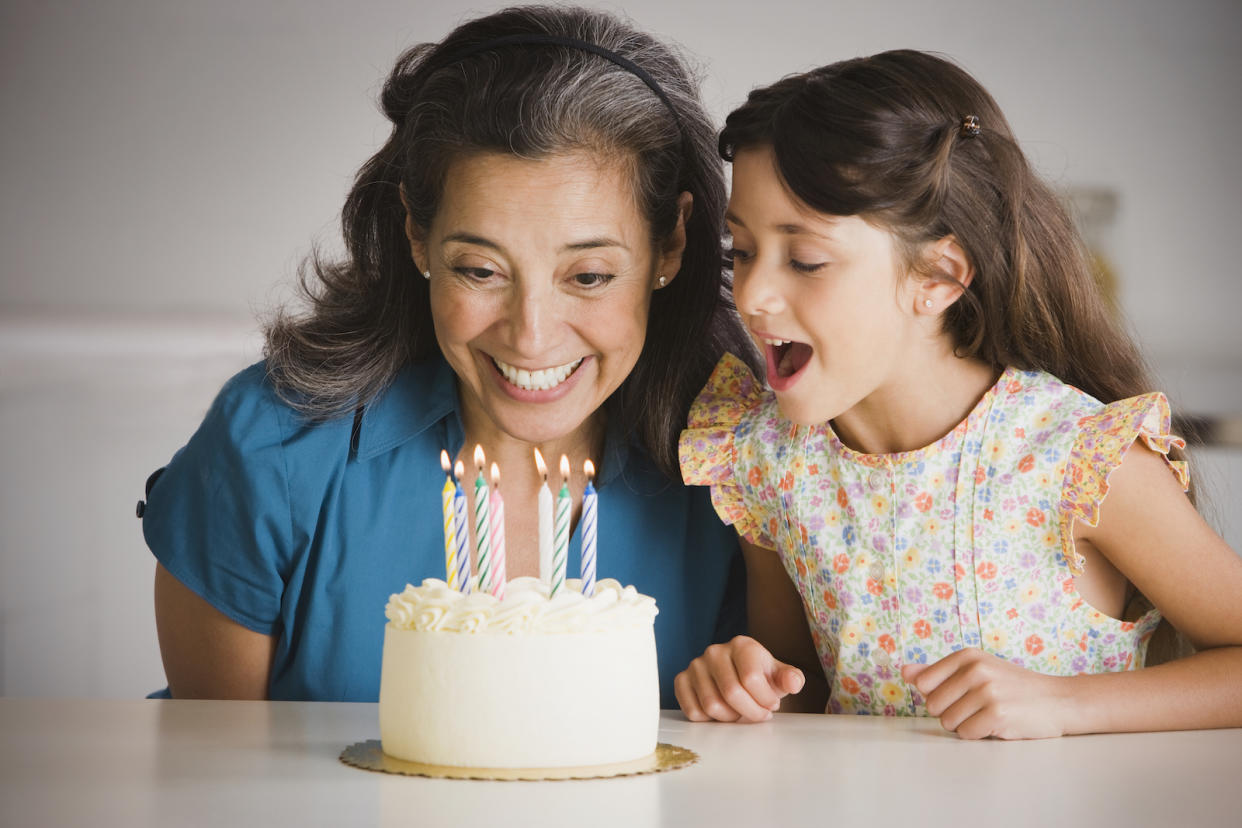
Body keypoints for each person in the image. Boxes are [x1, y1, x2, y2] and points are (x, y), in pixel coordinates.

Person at [139, 4, 759, 706]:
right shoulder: (272, 452)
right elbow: (215, 781)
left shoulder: (742, 476)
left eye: (588, 277)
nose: (531, 336)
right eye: (480, 270)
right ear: (416, 233)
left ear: (670, 244)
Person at [674, 50, 1242, 738]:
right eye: (741, 251)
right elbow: (802, 682)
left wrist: (1065, 705)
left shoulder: (1079, 461)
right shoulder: (769, 460)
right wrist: (751, 684)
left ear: (938, 276)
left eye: (806, 259)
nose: (755, 297)